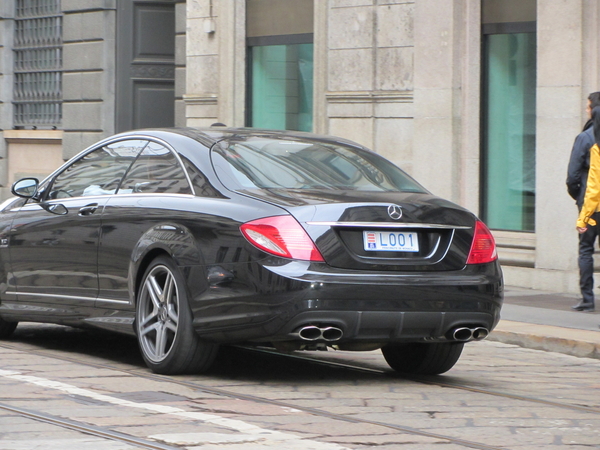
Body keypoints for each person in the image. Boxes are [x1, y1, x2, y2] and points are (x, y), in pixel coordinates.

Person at [568, 92, 600, 312]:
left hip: (590, 204)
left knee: (586, 249)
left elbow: (572, 175)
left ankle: (587, 299)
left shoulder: (586, 137)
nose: (586, 110)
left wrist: (578, 196)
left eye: (588, 107)